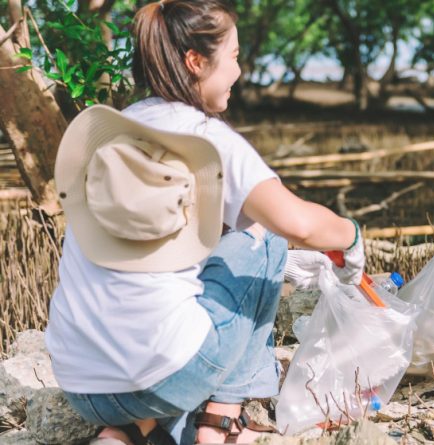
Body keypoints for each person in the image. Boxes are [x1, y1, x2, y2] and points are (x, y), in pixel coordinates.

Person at [44, 1, 364, 444]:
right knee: (265, 232)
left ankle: (124, 433)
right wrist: (352, 236)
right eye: (233, 56)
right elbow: (300, 224)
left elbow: (166, 248)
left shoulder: (116, 137)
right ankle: (220, 423)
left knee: (239, 239)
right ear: (196, 62)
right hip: (163, 380)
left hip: (81, 384)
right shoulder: (209, 139)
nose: (239, 69)